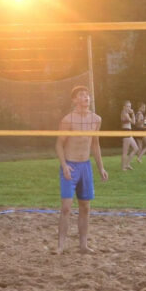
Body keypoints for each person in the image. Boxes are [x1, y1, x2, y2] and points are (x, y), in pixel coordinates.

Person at [56, 85, 108, 253]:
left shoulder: (96, 119)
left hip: (85, 166)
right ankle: (60, 246)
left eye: (87, 95)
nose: (86, 97)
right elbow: (59, 144)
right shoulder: (68, 120)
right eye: (81, 95)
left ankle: (83, 245)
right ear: (74, 100)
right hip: (70, 166)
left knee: (85, 207)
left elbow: (95, 144)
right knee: (66, 207)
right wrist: (64, 165)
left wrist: (101, 168)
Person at [119, 100, 139, 171]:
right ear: (124, 107)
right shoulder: (124, 113)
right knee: (125, 151)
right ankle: (123, 167)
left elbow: (133, 122)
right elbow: (133, 122)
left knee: (136, 148)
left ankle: (127, 164)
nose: (129, 108)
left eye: (130, 106)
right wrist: (133, 114)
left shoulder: (126, 113)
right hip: (126, 132)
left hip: (129, 132)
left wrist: (132, 114)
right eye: (127, 106)